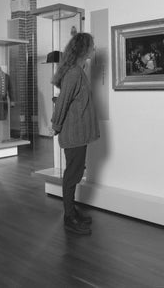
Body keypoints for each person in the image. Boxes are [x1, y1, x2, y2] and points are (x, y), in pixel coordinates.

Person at [51, 33, 100, 235]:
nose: (94, 49)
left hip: (78, 133)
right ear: (84, 49)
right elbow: (62, 101)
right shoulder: (74, 73)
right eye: (92, 46)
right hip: (73, 134)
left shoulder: (78, 71)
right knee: (72, 175)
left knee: (76, 172)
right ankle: (69, 217)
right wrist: (55, 125)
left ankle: (72, 211)